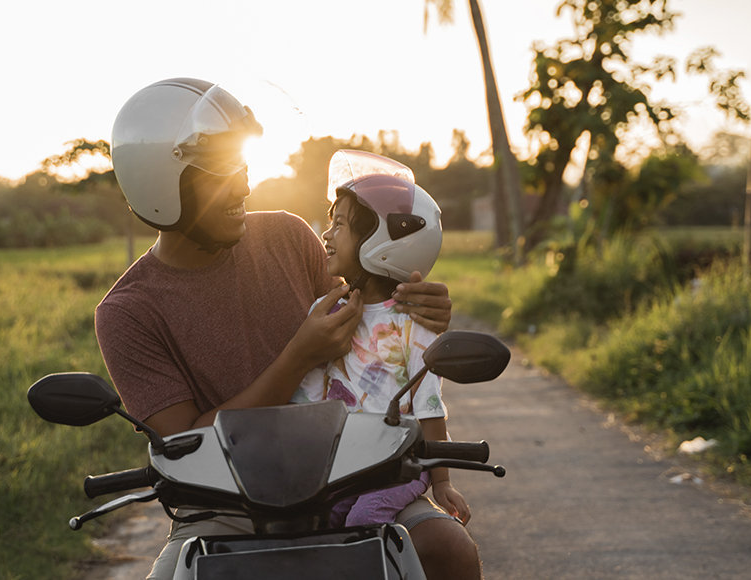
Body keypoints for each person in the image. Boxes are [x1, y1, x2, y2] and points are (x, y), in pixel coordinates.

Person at [93, 78, 482, 580]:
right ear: (160, 186)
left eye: (243, 167)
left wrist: (420, 309)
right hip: (222, 506)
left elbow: (372, 316)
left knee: (449, 550)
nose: (243, 186)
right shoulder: (128, 311)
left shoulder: (288, 236)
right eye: (219, 175)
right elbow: (184, 444)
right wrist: (297, 357)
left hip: (349, 476)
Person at [291, 151, 470, 529]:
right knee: (312, 523)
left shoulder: (412, 322)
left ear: (382, 239)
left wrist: (443, 482)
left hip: (398, 466)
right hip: (342, 467)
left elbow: (430, 406)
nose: (326, 234)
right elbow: (305, 397)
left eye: (339, 224)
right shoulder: (323, 315)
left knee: (364, 520)